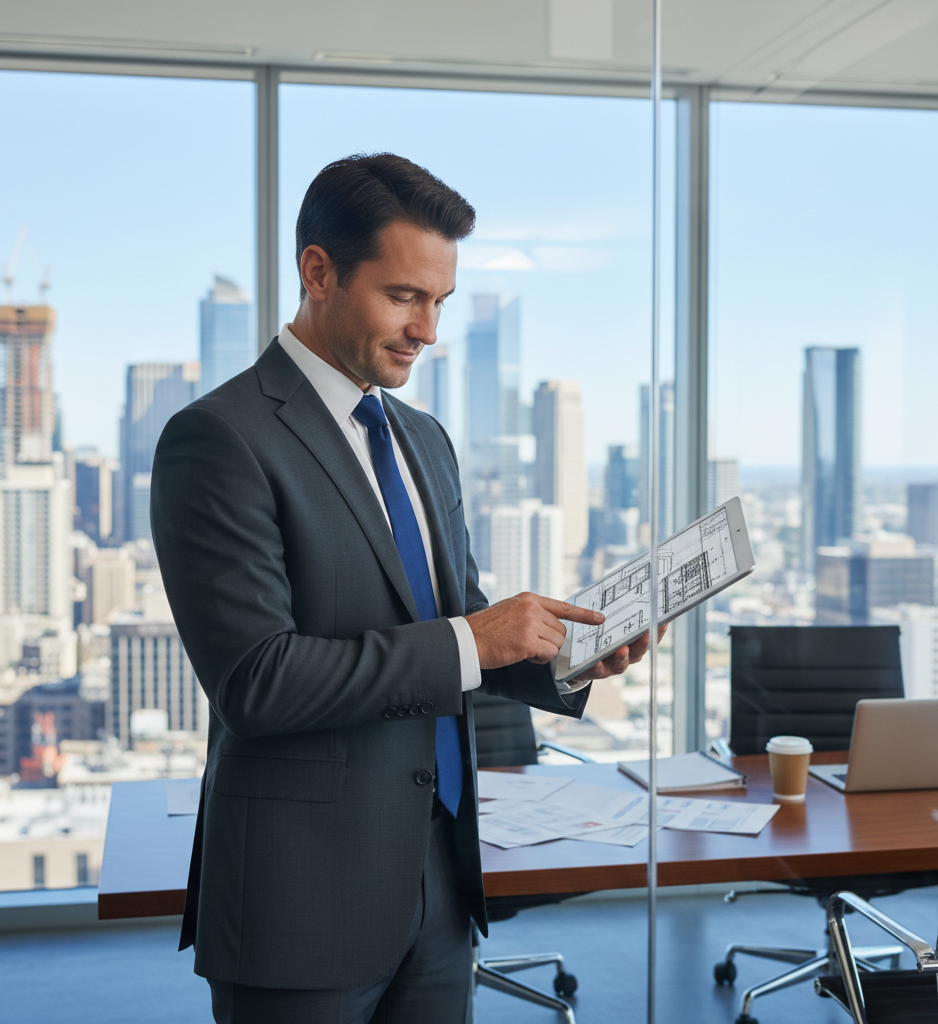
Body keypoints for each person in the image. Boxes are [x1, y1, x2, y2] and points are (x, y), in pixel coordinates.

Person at [150, 152, 663, 1024]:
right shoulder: (218, 440)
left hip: (439, 883)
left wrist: (566, 660)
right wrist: (480, 638)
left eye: (440, 302)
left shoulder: (424, 440)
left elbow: (458, 628)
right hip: (301, 894)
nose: (428, 330)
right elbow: (258, 683)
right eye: (403, 297)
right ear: (318, 272)